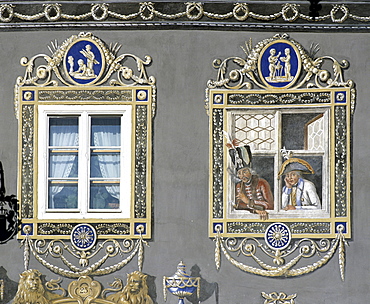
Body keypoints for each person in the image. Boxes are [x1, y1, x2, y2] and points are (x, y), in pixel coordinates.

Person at [228, 145, 274, 220]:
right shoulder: (239, 186)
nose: (242, 176)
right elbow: (239, 205)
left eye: (245, 172)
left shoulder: (262, 183)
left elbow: (270, 205)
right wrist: (255, 210)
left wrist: (248, 201)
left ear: (250, 172)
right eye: (239, 173)